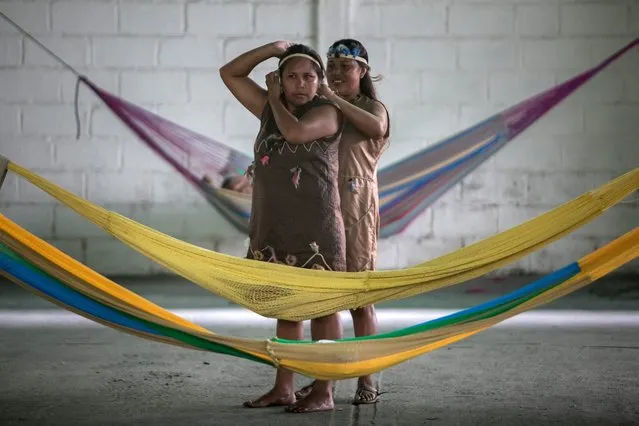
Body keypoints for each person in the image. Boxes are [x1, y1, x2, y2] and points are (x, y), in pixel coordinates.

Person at [219, 41, 346, 414]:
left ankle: (324, 391)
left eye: (309, 76)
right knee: (287, 310)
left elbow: (293, 134)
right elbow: (229, 73)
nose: (300, 83)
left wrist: (273, 97)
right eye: (291, 76)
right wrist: (273, 48)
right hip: (274, 226)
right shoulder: (269, 109)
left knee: (323, 310)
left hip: (316, 229)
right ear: (280, 78)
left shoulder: (328, 111)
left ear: (320, 80)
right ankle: (284, 388)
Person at [294, 39, 390, 405]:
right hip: (320, 208)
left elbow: (377, 128)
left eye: (344, 67)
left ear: (362, 71)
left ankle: (368, 380)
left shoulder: (371, 107)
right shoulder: (321, 109)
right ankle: (325, 382)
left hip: (356, 210)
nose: (335, 73)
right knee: (323, 301)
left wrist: (334, 99)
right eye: (331, 66)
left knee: (359, 300)